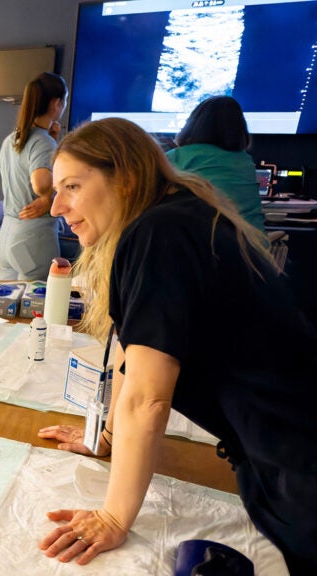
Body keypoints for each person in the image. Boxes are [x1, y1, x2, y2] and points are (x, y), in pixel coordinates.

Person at [37, 117, 317, 574]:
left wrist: (112, 516)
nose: (56, 207)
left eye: (71, 186)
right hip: (282, 449)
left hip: (299, 460)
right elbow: (135, 355)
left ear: (124, 178)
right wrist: (104, 437)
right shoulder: (172, 216)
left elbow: (148, 398)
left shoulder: (158, 234)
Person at [0, 72, 67, 280]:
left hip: (9, 235)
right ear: (56, 103)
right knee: (35, 308)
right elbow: (40, 184)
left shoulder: (11, 140)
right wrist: (48, 198)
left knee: (7, 306)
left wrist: (53, 141)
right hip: (32, 239)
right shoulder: (43, 142)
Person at [166, 95, 265, 232]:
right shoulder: (245, 161)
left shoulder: (177, 157)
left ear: (193, 124)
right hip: (254, 246)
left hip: (204, 244)